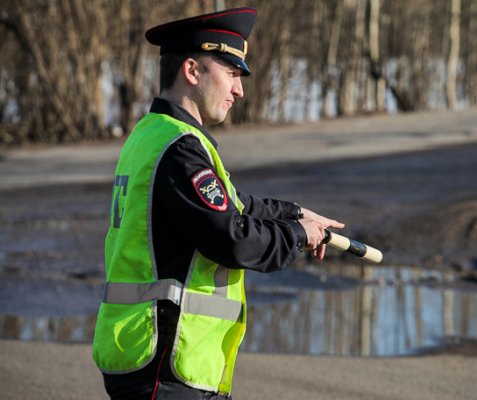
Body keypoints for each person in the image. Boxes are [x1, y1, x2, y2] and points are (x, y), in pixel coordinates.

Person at [92, 6, 344, 400]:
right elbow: (231, 238)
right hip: (164, 362)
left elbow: (231, 205)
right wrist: (297, 235)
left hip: (150, 354)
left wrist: (296, 214)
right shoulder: (180, 149)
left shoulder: (151, 134)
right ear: (192, 71)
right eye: (231, 73)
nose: (239, 90)